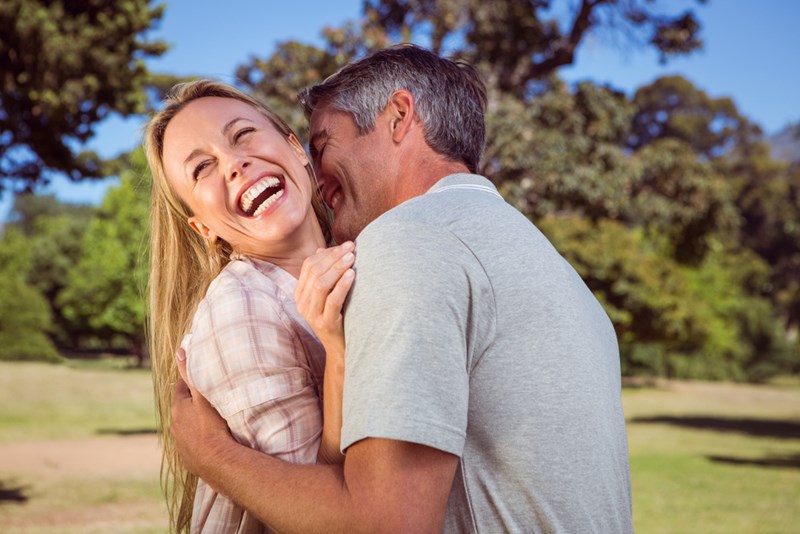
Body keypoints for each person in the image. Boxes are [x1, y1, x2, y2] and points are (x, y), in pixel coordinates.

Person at [170, 44, 634, 533]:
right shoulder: (557, 272)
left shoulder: (407, 238)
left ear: (398, 116)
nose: (320, 172)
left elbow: (383, 525)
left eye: (324, 145)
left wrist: (212, 454)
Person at [145, 79, 355, 533]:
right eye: (202, 168)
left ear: (297, 147)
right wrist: (338, 358)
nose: (234, 163)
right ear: (204, 229)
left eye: (242, 135)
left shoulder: (362, 258)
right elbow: (322, 514)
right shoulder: (238, 310)